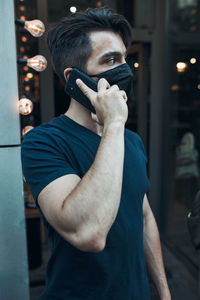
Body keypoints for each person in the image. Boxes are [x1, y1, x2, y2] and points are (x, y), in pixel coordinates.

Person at [21, 8, 171, 300]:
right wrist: (113, 124)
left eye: (125, 58)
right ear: (74, 77)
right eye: (111, 60)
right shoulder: (43, 142)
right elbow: (88, 233)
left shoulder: (132, 141)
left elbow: (143, 216)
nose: (125, 70)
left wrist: (164, 293)